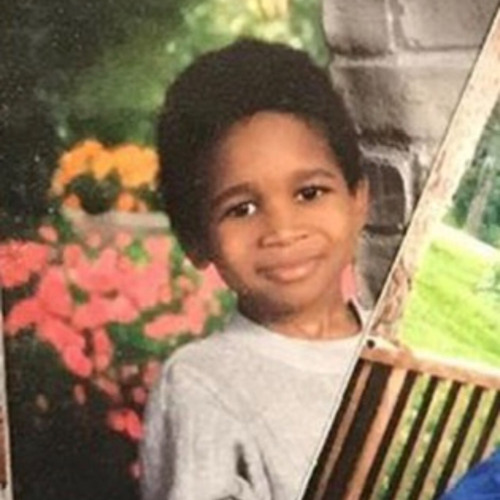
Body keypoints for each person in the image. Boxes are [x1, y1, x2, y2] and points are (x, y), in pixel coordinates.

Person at [141, 38, 369, 500]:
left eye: (309, 193)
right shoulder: (201, 385)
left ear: (358, 200)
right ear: (195, 240)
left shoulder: (402, 345)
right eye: (241, 209)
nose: (282, 231)